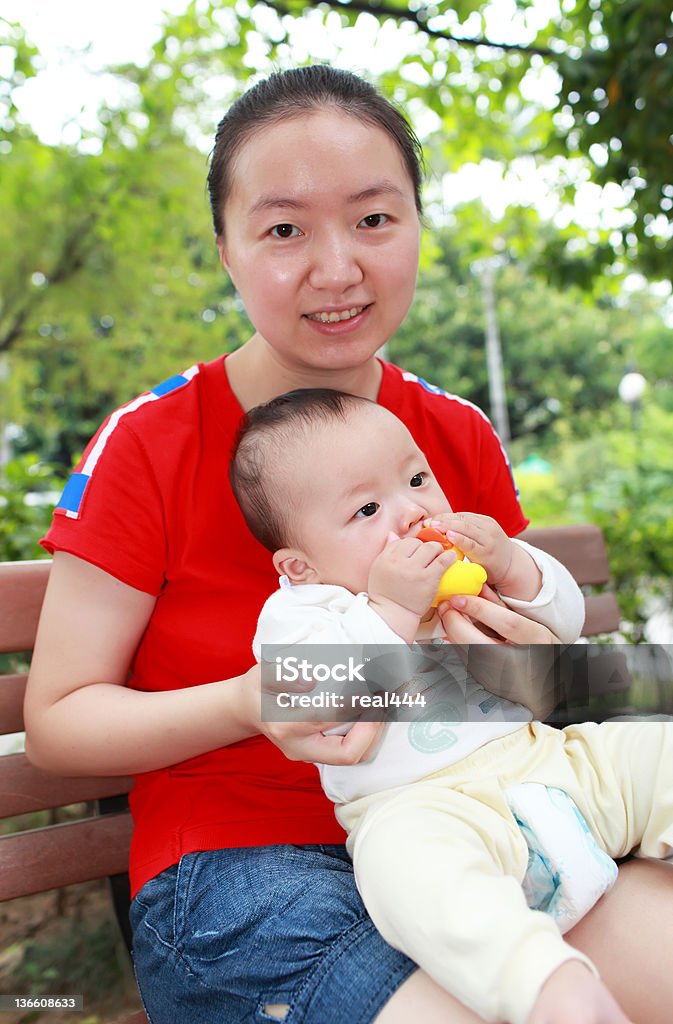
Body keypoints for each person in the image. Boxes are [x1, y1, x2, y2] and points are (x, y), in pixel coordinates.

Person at [23, 64, 673, 1024]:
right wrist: (258, 699)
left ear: (416, 224)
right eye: (284, 229)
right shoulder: (150, 442)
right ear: (227, 248)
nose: (337, 269)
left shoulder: (448, 433)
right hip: (244, 867)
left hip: (502, 817)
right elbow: (59, 721)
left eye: (374, 219)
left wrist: (554, 665)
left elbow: (554, 676)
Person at [230, 386, 673, 1024]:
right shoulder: (302, 612)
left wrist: (516, 568)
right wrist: (392, 610)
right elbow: (315, 700)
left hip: (553, 761)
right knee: (408, 874)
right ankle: (548, 988)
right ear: (298, 565)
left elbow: (565, 623)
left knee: (650, 751)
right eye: (367, 508)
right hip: (425, 808)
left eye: (416, 478)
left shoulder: (465, 568)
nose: (412, 513)